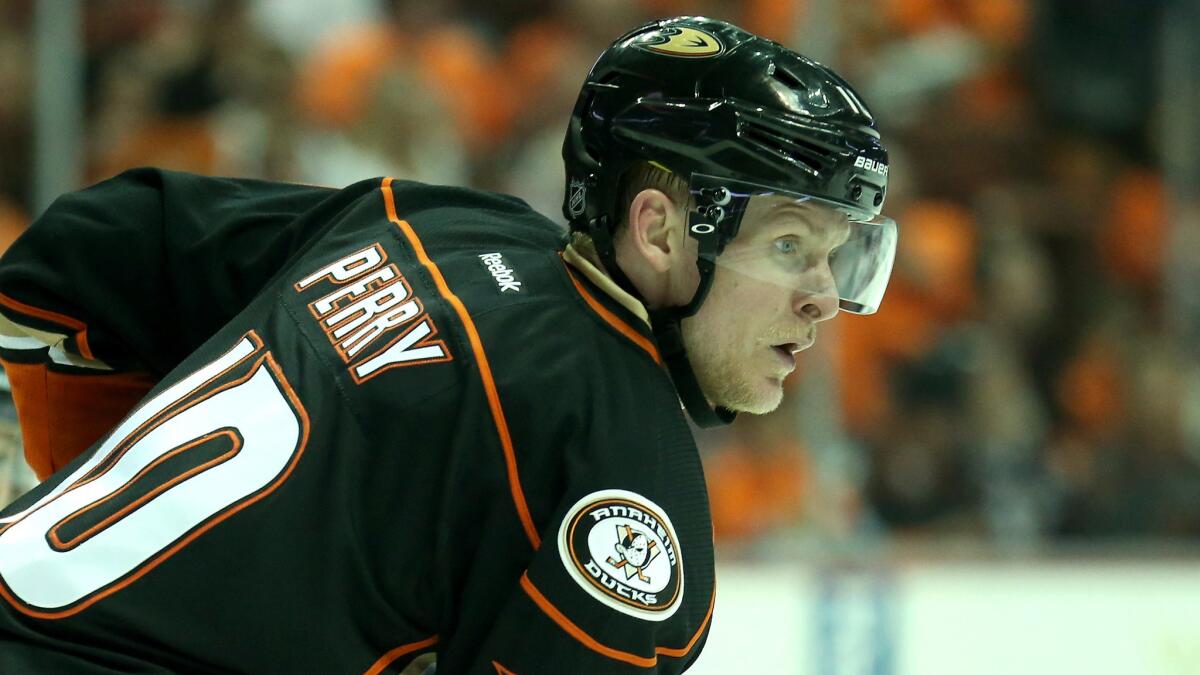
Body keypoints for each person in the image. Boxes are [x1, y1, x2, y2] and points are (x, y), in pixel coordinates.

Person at [0, 16, 896, 674]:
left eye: (836, 256)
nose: (824, 298)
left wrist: (76, 477)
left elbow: (99, 241)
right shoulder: (626, 468)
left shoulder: (439, 224)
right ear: (658, 230)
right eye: (789, 246)